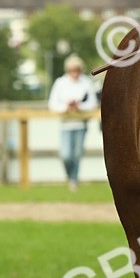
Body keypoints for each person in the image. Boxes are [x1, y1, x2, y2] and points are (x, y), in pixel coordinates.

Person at [48, 54, 98, 190]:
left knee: (76, 154)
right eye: (72, 70)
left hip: (81, 123)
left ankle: (73, 181)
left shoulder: (86, 82)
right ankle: (70, 177)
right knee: (66, 155)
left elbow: (92, 103)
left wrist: (79, 107)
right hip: (65, 124)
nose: (74, 73)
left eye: (77, 69)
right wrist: (66, 107)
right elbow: (52, 104)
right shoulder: (60, 83)